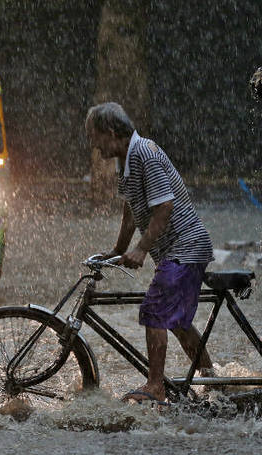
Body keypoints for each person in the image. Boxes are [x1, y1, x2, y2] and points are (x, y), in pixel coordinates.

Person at [85, 102, 215, 404]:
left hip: (186, 246)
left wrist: (141, 249)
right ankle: (213, 380)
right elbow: (131, 207)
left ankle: (156, 386)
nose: (94, 144)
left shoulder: (145, 154)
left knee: (155, 311)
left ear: (111, 132)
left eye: (94, 137)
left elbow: (165, 206)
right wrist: (119, 249)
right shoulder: (126, 159)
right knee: (177, 322)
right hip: (175, 250)